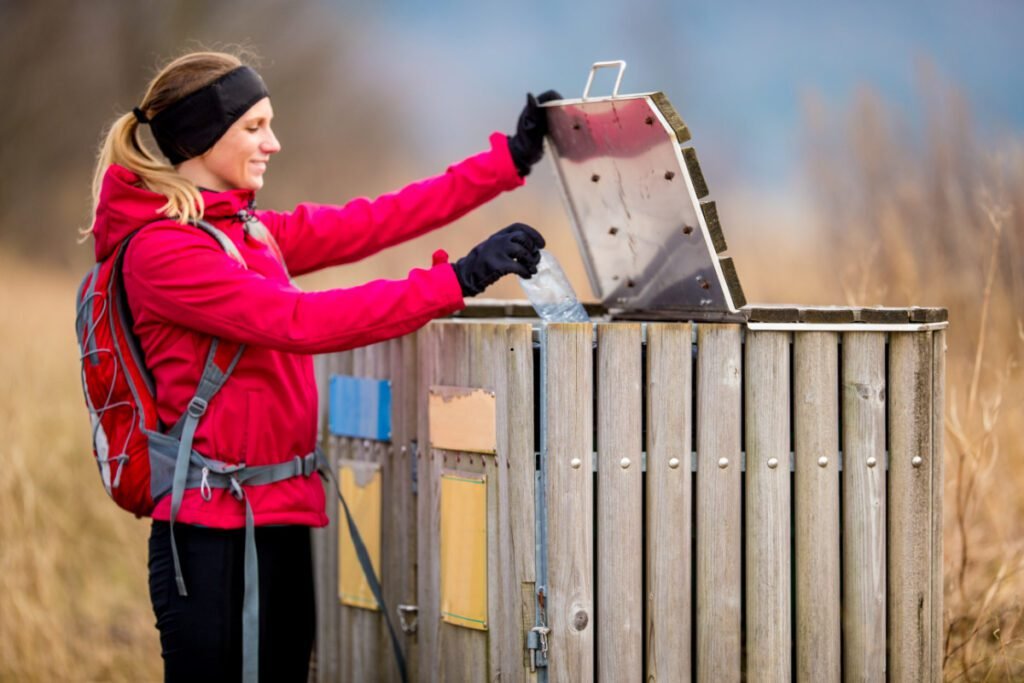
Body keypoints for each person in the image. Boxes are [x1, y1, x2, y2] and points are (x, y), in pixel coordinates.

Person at [84, 50, 559, 682]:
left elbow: (374, 221)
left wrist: (506, 164)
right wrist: (458, 278)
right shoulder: (164, 254)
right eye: (254, 127)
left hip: (275, 516)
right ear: (201, 139)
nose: (272, 143)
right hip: (214, 535)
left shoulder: (243, 231)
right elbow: (301, 322)